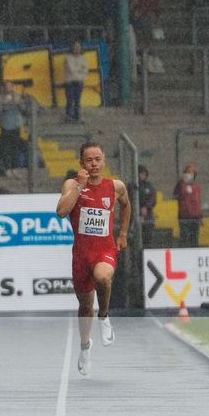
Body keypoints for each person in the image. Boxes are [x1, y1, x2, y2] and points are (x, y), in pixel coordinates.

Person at [57, 141, 130, 376]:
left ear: (104, 160)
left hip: (104, 250)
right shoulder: (72, 184)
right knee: (85, 306)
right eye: (89, 160)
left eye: (98, 159)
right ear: (81, 163)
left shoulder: (115, 186)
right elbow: (61, 211)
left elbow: (126, 206)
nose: (94, 164)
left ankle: (105, 316)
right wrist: (80, 185)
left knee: (103, 277)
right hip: (81, 254)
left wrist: (123, 234)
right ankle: (85, 346)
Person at [56, 40, 89, 123]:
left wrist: (78, 71)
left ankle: (77, 116)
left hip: (79, 82)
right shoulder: (68, 58)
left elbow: (85, 70)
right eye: (75, 47)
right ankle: (68, 117)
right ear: (72, 48)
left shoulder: (83, 58)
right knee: (70, 100)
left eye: (78, 47)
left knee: (77, 100)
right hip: (70, 82)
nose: (77, 49)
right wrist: (80, 70)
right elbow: (71, 69)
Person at [173, 164, 202, 246]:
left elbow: (197, 202)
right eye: (188, 173)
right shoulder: (181, 185)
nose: (189, 175)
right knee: (184, 238)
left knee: (194, 238)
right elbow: (176, 194)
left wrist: (200, 215)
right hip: (184, 216)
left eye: (191, 173)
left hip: (195, 217)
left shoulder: (196, 187)